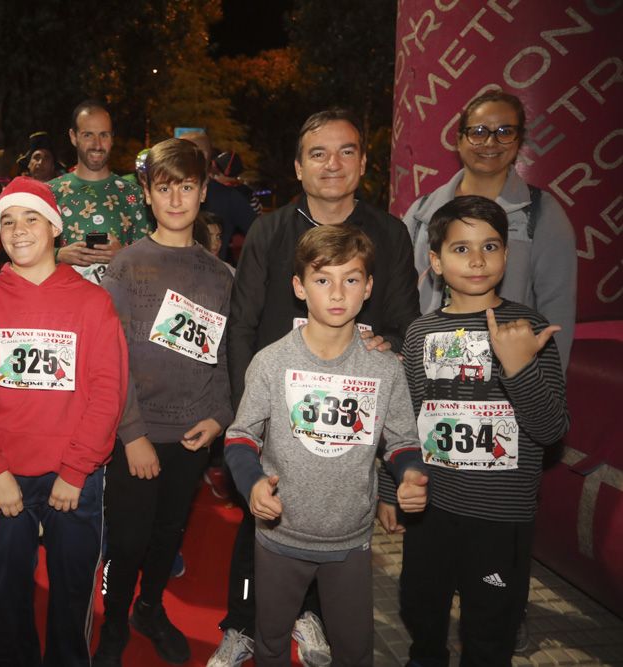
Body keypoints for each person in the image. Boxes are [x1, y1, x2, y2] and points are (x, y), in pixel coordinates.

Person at [210, 108, 421, 667]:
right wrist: (245, 422)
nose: (333, 163)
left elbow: (404, 322)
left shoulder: (390, 233)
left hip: (349, 409)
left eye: (347, 151)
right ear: (299, 167)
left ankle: (311, 621)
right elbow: (243, 326)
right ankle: (242, 624)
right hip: (277, 406)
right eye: (319, 153)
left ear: (364, 163)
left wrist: (387, 347)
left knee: (334, 532)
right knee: (264, 521)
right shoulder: (270, 230)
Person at [0, 176, 127, 667]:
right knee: (6, 598)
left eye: (31, 218)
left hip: (75, 479)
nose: (18, 229)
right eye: (7, 220)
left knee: (72, 598)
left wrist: (74, 470)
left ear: (54, 227)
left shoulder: (92, 304)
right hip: (0, 477)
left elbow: (107, 395)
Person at [396, 195, 569, 665]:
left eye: (490, 246)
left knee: (490, 632)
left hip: (501, 517)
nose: (477, 259)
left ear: (507, 255)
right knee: (419, 610)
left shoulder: (527, 328)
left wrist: (518, 369)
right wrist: (392, 491)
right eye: (460, 248)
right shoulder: (420, 334)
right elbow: (406, 423)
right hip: (432, 510)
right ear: (434, 260)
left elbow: (552, 429)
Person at [93, 138, 234, 666]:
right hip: (136, 434)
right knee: (127, 541)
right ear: (148, 194)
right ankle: (113, 622)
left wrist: (219, 417)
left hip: (192, 434)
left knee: (168, 535)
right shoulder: (127, 266)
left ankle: (149, 608)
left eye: (188, 187)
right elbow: (110, 361)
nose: (177, 199)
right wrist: (132, 435)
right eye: (165, 187)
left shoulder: (221, 275)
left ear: (202, 192)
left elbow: (223, 358)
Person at [404, 89, 576, 376]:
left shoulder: (540, 213)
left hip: (507, 374)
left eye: (505, 131)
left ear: (518, 140)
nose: (490, 142)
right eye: (479, 131)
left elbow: (557, 306)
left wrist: (544, 384)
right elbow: (402, 298)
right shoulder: (422, 213)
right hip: (429, 369)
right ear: (459, 140)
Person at [49, 100, 149, 285]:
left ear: (112, 137)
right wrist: (57, 254)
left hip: (118, 307)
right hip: (63, 305)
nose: (97, 144)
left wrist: (122, 256)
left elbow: (149, 263)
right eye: (88, 135)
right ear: (73, 136)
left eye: (104, 135)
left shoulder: (133, 194)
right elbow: (27, 252)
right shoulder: (50, 192)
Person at [181, 132, 257, 262]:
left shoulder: (228, 197)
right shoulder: (166, 195)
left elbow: (261, 235)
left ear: (202, 156)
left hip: (212, 278)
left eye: (178, 153)